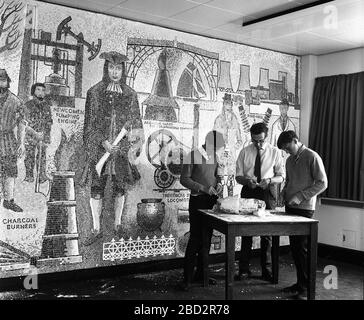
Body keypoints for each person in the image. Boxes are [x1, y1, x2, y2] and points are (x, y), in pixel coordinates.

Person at [81, 51, 145, 246]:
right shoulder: (94, 92)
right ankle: (96, 229)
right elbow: (89, 125)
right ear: (106, 68)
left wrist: (124, 146)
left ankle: (117, 226)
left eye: (118, 68)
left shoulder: (130, 94)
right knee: (96, 188)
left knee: (119, 188)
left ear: (122, 70)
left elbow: (136, 126)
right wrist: (103, 142)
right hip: (100, 150)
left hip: (121, 151)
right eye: (111, 68)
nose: (115, 72)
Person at [277, 130, 327, 299]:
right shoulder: (290, 160)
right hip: (290, 207)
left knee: (303, 249)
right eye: (284, 150)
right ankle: (300, 284)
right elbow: (289, 181)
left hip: (305, 208)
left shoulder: (312, 157)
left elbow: (322, 183)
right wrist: (283, 193)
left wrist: (301, 196)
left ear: (295, 140)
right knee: (296, 249)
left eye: (287, 147)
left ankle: (306, 289)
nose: (286, 152)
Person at [235, 122, 285, 281]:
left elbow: (281, 176)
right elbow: (238, 176)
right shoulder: (244, 152)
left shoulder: (275, 152)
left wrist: (270, 180)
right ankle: (243, 269)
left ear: (267, 137)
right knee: (245, 232)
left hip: (267, 192)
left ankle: (267, 270)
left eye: (261, 140)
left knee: (267, 234)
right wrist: (246, 180)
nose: (257, 143)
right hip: (249, 190)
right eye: (254, 140)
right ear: (251, 137)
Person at [179, 130, 225, 290]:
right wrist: (204, 188)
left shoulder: (215, 157)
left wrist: (219, 184)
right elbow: (184, 179)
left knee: (207, 240)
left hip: (211, 201)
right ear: (208, 143)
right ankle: (187, 279)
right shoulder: (193, 155)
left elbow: (218, 176)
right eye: (216, 147)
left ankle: (202, 275)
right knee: (195, 239)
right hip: (197, 201)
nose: (217, 150)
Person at [0, 69, 26, 212]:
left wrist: (21, 142)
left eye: (3, 80)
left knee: (10, 171)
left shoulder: (15, 101)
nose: (1, 83)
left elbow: (22, 122)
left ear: (7, 82)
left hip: (8, 140)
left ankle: (8, 200)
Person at [24, 83, 53, 183]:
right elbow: (24, 124)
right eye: (38, 90)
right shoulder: (28, 105)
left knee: (42, 156)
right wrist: (35, 133)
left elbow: (49, 123)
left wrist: (46, 136)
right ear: (33, 91)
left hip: (43, 135)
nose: (41, 93)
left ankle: (41, 175)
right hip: (31, 135)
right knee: (30, 156)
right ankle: (29, 175)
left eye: (43, 90)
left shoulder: (46, 106)